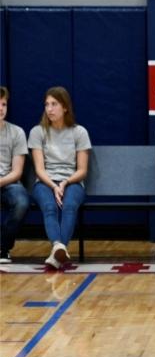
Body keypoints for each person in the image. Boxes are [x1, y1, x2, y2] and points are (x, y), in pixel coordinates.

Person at [28, 87, 90, 269]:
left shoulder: (79, 132)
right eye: (47, 104)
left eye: (54, 104)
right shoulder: (37, 132)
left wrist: (65, 183)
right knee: (49, 207)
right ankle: (58, 246)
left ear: (65, 107)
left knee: (69, 206)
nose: (49, 109)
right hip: (45, 182)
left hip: (72, 181)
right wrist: (54, 186)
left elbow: (82, 169)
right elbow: (39, 169)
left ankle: (56, 254)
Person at [0, 87, 30, 263]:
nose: (1, 108)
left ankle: (3, 247)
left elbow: (17, 171)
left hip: (9, 182)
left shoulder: (16, 132)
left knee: (22, 202)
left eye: (3, 104)